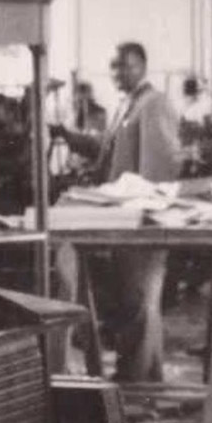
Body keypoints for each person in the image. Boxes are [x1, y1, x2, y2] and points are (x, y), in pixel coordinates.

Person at [57, 41, 183, 382]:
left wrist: (144, 213)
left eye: (124, 66)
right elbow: (108, 150)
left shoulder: (153, 104)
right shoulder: (126, 105)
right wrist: (68, 135)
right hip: (122, 217)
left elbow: (159, 168)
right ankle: (146, 378)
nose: (117, 73)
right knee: (134, 301)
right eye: (112, 66)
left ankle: (135, 382)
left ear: (142, 66)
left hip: (141, 218)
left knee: (139, 301)